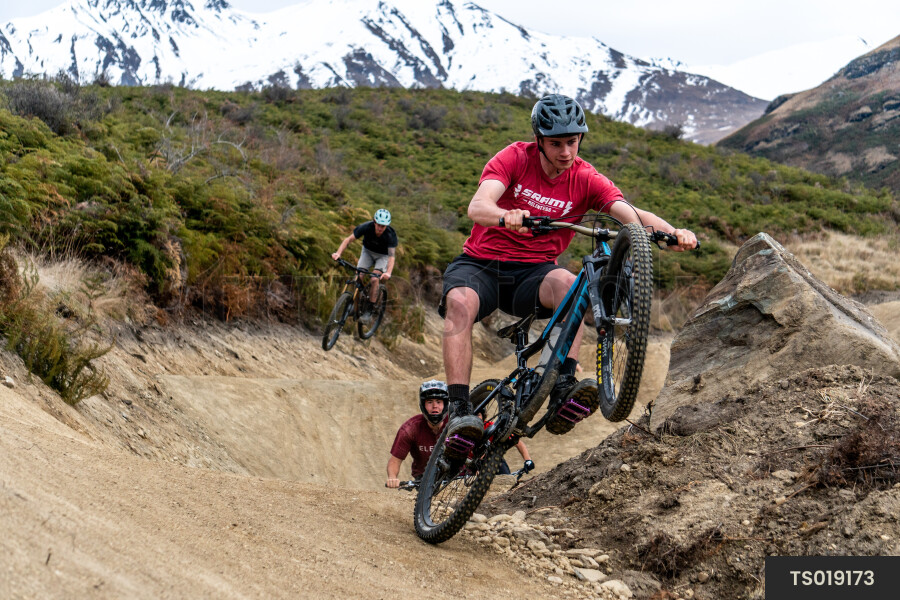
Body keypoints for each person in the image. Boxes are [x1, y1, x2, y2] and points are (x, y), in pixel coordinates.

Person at [440, 93, 698, 453]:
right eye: (556, 143)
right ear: (539, 141)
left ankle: (563, 385)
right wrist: (505, 216)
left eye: (572, 142)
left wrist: (673, 234)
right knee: (459, 303)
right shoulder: (514, 157)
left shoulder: (585, 177)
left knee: (569, 283)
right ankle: (458, 410)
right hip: (481, 264)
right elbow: (478, 205)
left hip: (533, 274)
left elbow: (631, 215)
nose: (565, 151)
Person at [332, 208, 398, 319]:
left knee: (374, 279)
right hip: (367, 252)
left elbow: (391, 256)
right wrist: (338, 253)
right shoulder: (366, 227)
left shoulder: (390, 235)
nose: (380, 228)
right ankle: (354, 304)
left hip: (383, 256)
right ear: (374, 221)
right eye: (378, 225)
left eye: (383, 226)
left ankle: (370, 309)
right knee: (358, 276)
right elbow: (348, 240)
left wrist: (388, 273)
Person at [385, 379, 448, 488]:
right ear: (423, 405)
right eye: (429, 402)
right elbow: (395, 460)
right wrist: (392, 477)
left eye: (438, 402)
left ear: (445, 404)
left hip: (454, 477)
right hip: (423, 479)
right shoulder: (411, 428)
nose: (434, 406)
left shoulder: (455, 424)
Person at [475, 408, 534, 476]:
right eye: (473, 415)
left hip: (491, 459)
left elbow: (517, 442)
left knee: (505, 477)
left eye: (478, 415)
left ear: (482, 415)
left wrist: (528, 460)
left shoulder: (491, 426)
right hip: (469, 465)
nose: (475, 418)